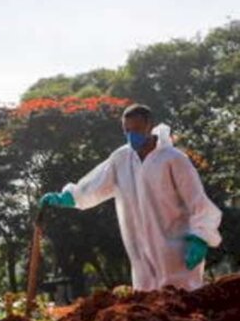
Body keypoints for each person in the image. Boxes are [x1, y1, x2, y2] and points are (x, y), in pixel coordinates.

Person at [39, 103, 221, 292]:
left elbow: (197, 201)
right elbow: (96, 185)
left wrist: (200, 237)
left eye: (136, 130)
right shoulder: (121, 158)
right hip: (141, 254)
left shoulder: (173, 159)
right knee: (148, 307)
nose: (131, 136)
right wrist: (69, 197)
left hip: (176, 253)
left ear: (150, 126)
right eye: (127, 131)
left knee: (183, 304)